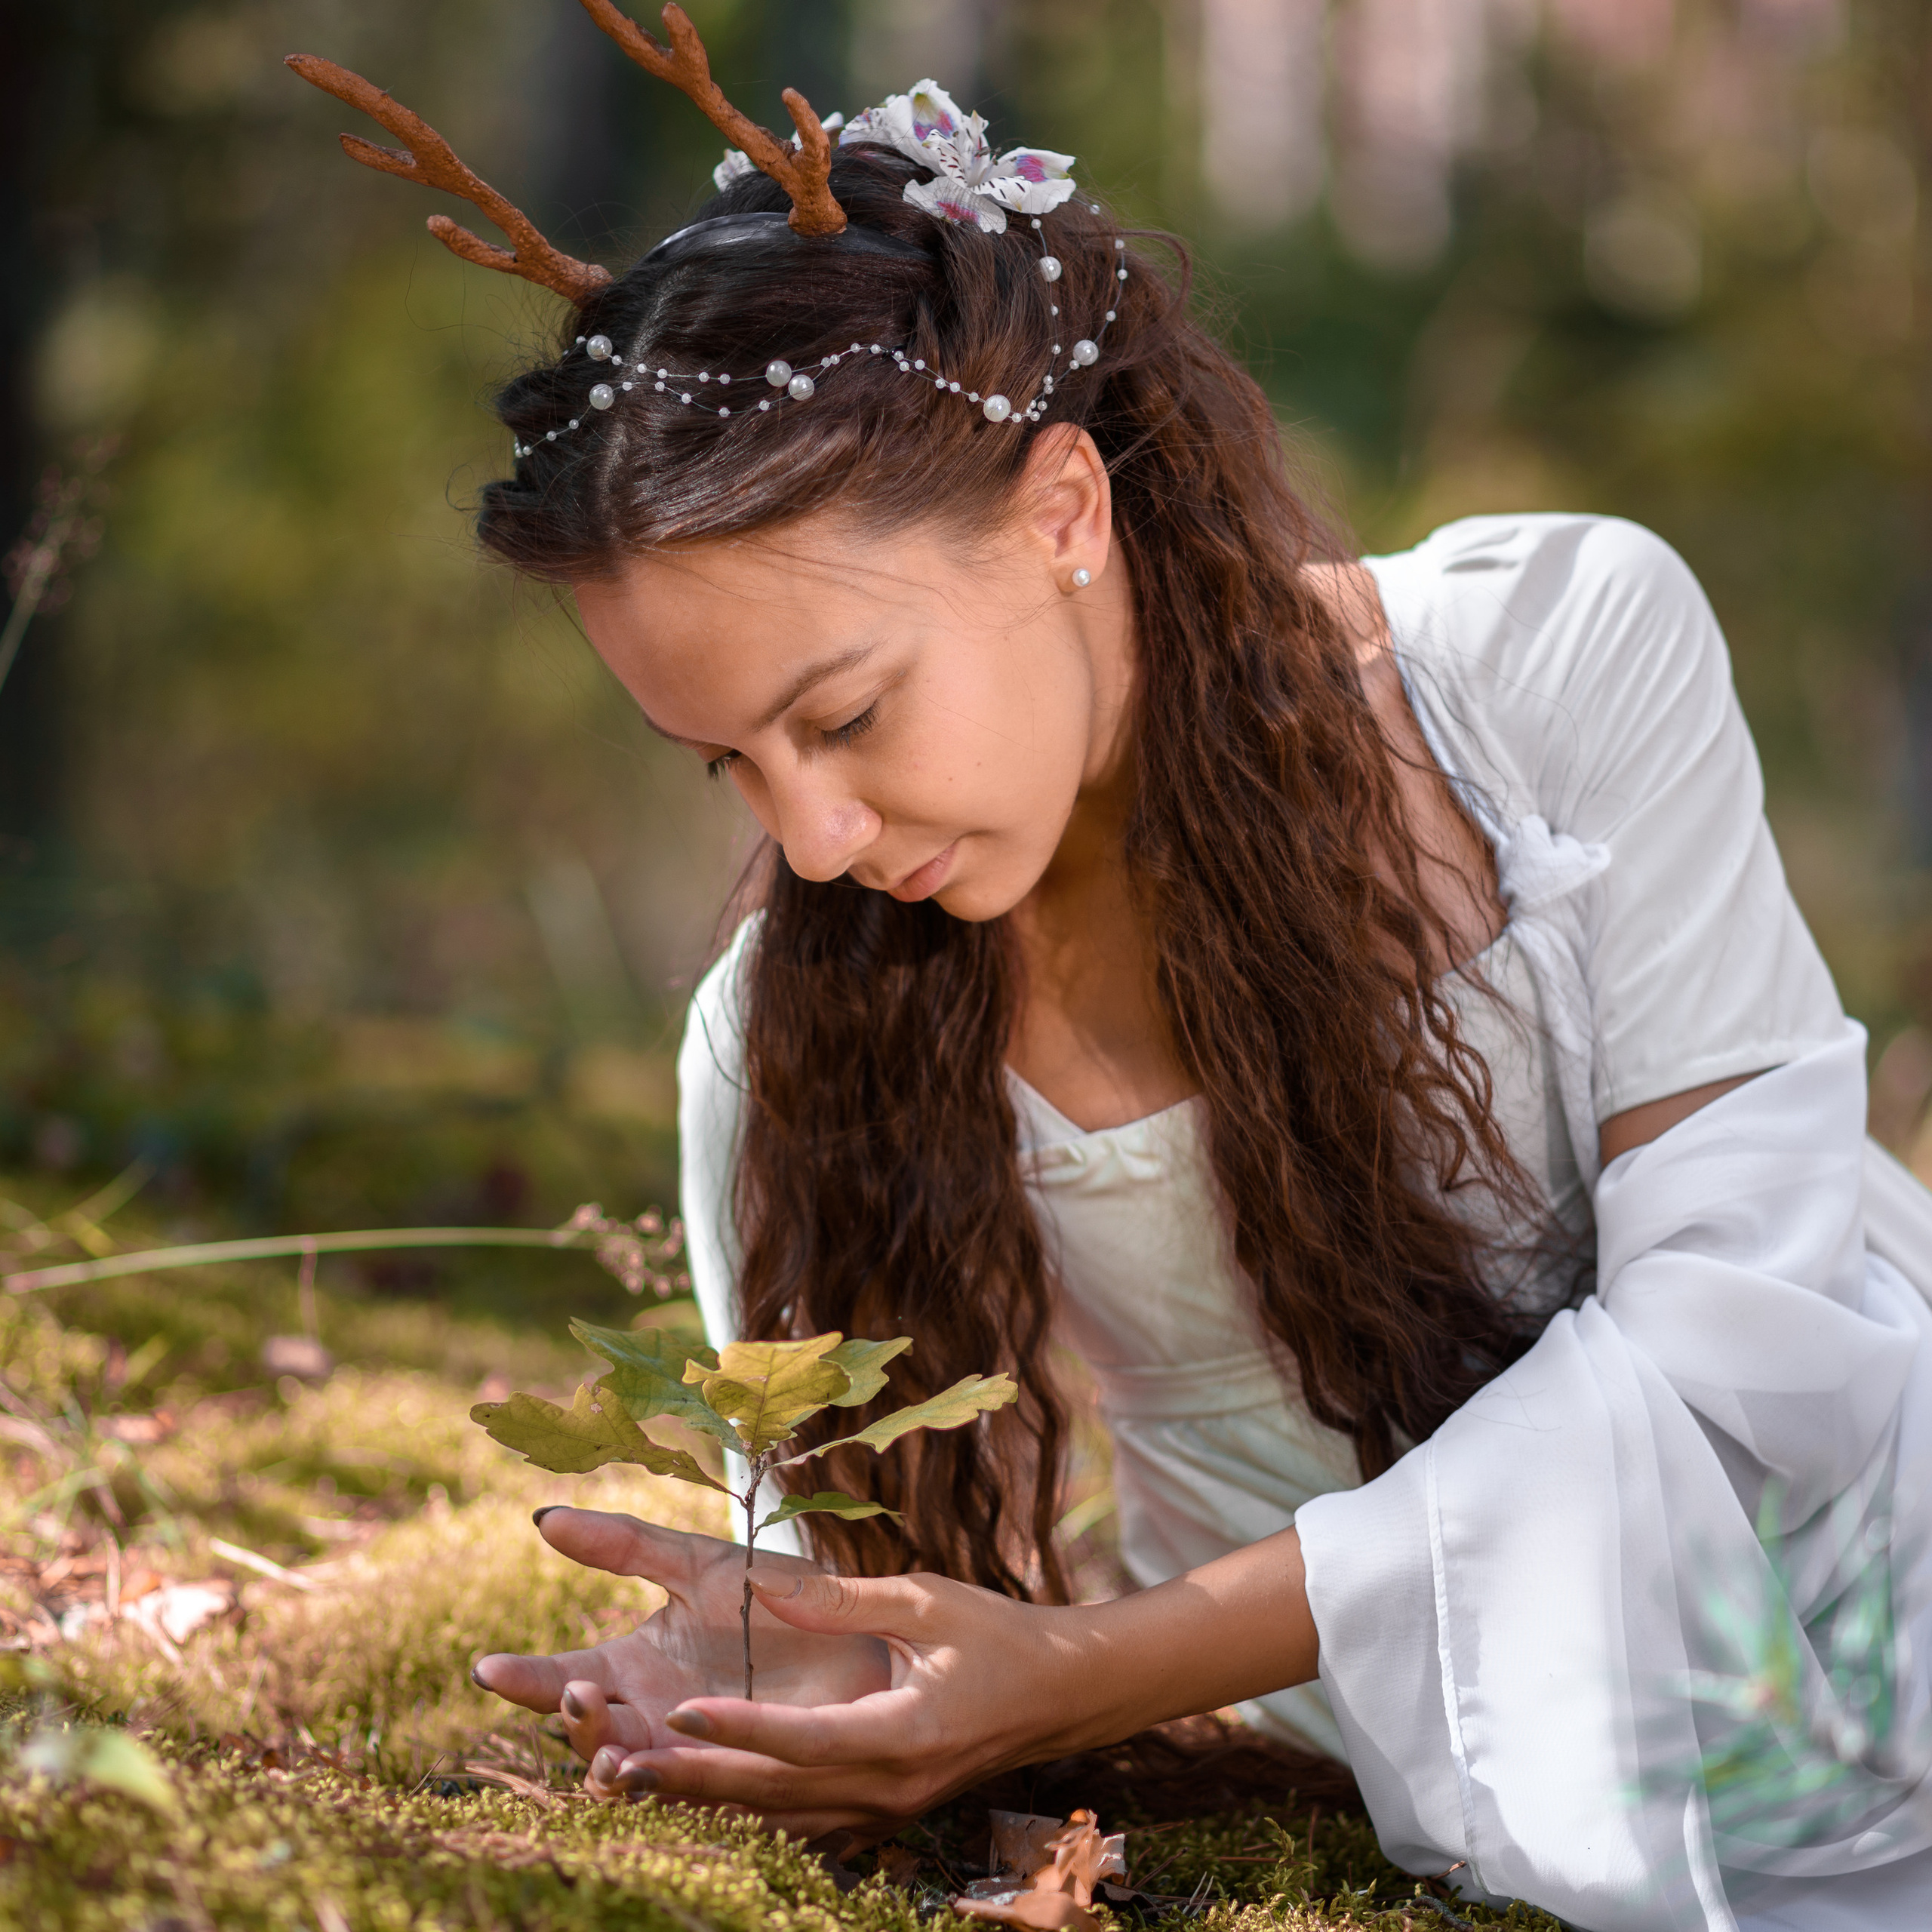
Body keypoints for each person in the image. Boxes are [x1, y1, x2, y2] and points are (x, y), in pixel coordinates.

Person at [294, 14, 1932, 1927]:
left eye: (845, 713)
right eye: (726, 760)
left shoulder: (1549, 668)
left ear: (1061, 510)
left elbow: (1744, 1360)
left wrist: (1081, 1672)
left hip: (1871, 1602)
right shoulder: (789, 1033)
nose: (809, 839)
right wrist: (778, 1676)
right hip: (1423, 1772)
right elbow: (856, 1581)